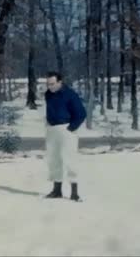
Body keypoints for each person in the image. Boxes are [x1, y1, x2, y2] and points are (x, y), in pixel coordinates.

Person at [44, 71, 87, 201]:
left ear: (60, 82)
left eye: (52, 84)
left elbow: (81, 114)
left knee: (69, 160)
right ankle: (57, 190)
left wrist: (70, 129)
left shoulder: (70, 94)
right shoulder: (48, 94)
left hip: (66, 129)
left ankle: (74, 192)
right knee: (53, 159)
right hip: (52, 130)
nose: (50, 87)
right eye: (48, 84)